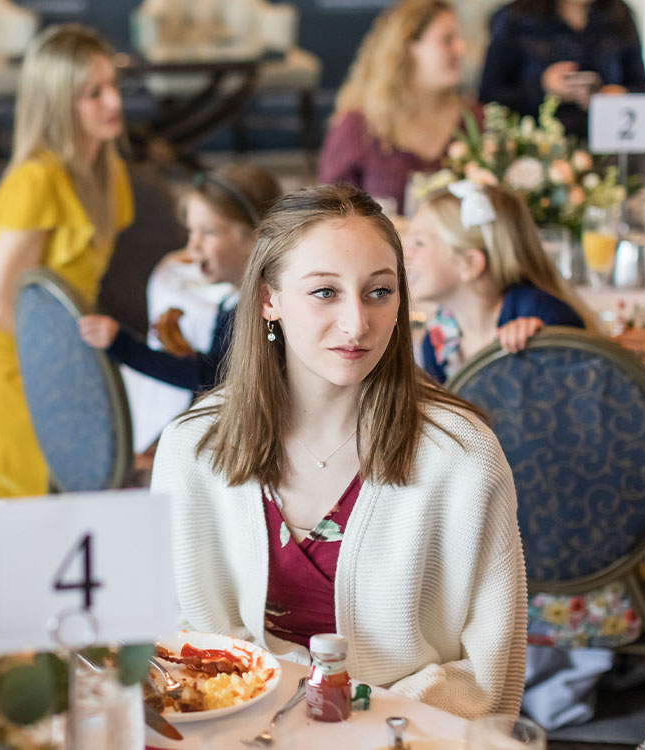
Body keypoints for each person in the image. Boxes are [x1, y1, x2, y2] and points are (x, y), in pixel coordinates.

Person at [150, 184, 527, 717]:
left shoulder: (461, 455)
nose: (357, 324)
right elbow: (175, 646)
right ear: (267, 299)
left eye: (379, 292)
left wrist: (354, 721)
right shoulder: (192, 450)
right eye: (324, 292)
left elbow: (490, 677)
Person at [0, 24, 133, 498]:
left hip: (63, 358)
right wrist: (80, 367)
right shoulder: (35, 181)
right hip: (19, 374)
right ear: (58, 103)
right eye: (93, 94)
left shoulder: (107, 171)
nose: (114, 103)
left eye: (113, 87)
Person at [78, 164, 282, 394]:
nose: (192, 246)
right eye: (191, 231)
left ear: (255, 238)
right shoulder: (238, 300)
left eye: (209, 232)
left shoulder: (259, 309)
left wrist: (122, 344)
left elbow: (210, 377)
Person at [404, 181, 597, 383]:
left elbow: (581, 395)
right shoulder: (437, 340)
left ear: (469, 263)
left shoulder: (543, 316)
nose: (404, 254)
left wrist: (544, 341)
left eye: (419, 243)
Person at [319, 0, 476, 210]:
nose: (460, 48)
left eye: (459, 39)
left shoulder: (474, 121)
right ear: (407, 48)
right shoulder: (359, 127)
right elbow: (328, 212)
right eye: (447, 40)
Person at [479, 0, 645, 140]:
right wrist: (543, 88)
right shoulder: (515, 19)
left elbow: (643, 91)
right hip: (535, 154)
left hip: (606, 151)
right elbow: (488, 97)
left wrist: (611, 94)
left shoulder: (618, 15)